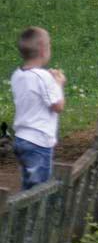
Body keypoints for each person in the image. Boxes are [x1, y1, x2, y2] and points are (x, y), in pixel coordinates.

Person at [10, 27, 66, 190]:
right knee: (38, 190)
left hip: (21, 138)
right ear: (42, 49)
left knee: (28, 184)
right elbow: (58, 106)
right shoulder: (43, 77)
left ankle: (21, 213)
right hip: (38, 141)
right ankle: (29, 215)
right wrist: (58, 84)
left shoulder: (17, 75)